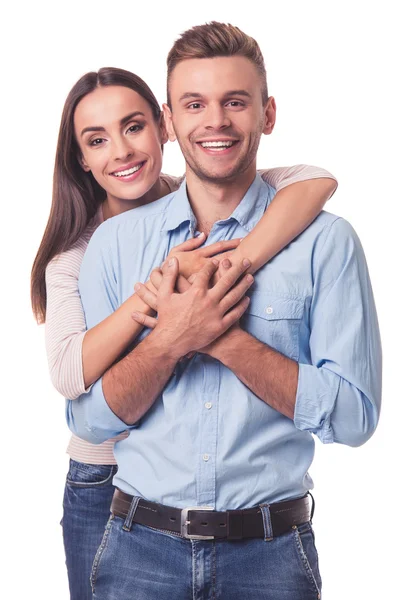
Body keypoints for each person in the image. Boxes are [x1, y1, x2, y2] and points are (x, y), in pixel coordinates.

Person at [31, 59, 337, 599]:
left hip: (215, 500)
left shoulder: (206, 194)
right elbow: (68, 373)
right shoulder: (75, 255)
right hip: (104, 479)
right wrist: (156, 297)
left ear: (163, 126)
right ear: (82, 159)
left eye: (133, 127)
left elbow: (315, 181)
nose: (122, 152)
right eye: (97, 140)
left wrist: (230, 265)